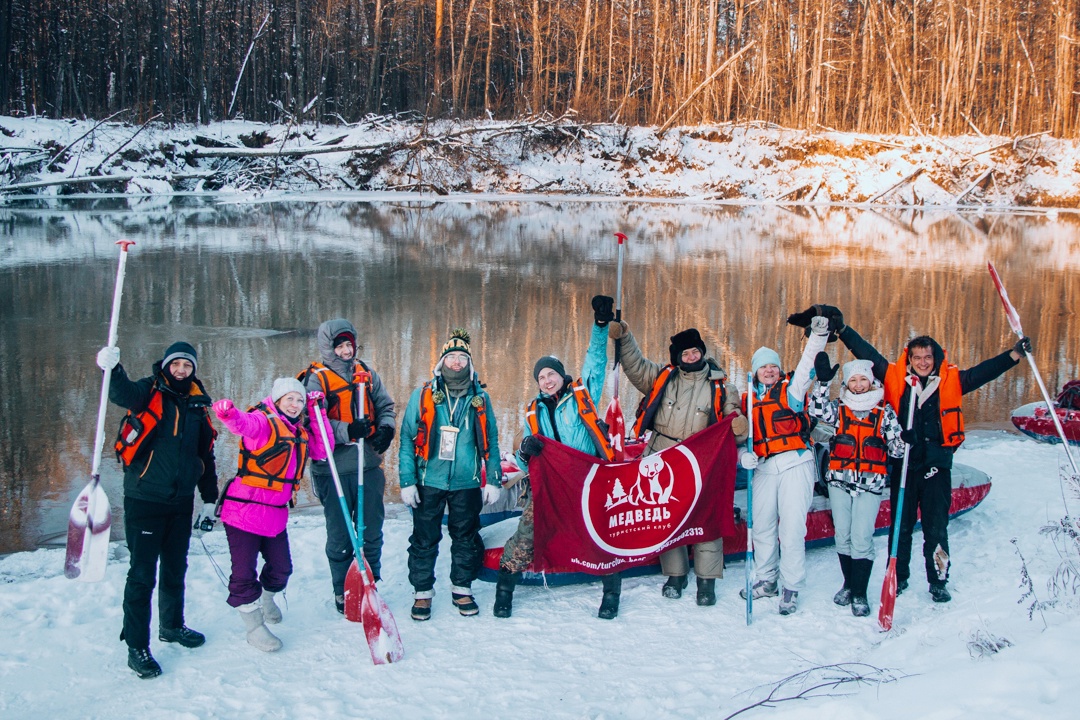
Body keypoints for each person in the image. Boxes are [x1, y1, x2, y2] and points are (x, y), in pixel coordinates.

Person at [823, 306, 1029, 602]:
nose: (922, 362)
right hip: (903, 465)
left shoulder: (951, 381)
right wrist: (843, 331)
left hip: (935, 466)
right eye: (917, 357)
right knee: (901, 526)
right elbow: (864, 351)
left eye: (927, 358)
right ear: (910, 358)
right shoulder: (894, 378)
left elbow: (984, 373)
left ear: (936, 359)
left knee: (935, 527)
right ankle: (901, 576)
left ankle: (938, 579)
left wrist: (1014, 355)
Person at [97, 341, 218, 679]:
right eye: (176, 364)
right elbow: (120, 393)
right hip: (145, 500)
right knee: (141, 575)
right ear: (166, 365)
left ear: (193, 369)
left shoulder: (197, 404)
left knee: (175, 569)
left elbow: (205, 456)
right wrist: (111, 368)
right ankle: (137, 646)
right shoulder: (147, 391)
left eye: (187, 366)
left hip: (180, 503)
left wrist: (209, 500)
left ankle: (172, 626)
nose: (181, 370)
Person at [607, 319, 747, 606]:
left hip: (702, 460)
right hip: (663, 454)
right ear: (677, 358)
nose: (691, 357)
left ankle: (706, 580)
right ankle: (676, 573)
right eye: (685, 354)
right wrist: (624, 337)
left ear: (703, 352)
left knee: (706, 516)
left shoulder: (722, 386)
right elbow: (635, 365)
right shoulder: (663, 377)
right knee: (668, 516)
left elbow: (735, 427)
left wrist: (740, 427)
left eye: (695, 351)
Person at [498, 295, 621, 619]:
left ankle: (611, 588)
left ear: (561, 375)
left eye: (551, 374)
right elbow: (526, 460)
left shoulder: (582, 396)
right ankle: (504, 587)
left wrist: (600, 326)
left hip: (585, 480)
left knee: (597, 532)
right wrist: (525, 450)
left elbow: (595, 362)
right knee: (527, 531)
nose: (547, 380)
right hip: (552, 485)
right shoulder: (533, 411)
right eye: (541, 377)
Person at [212, 378, 333, 651]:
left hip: (275, 514)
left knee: (282, 569)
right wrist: (228, 413)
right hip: (243, 510)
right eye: (290, 399)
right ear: (277, 400)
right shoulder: (263, 422)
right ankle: (254, 628)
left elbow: (322, 448)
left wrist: (318, 412)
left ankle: (267, 600)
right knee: (243, 573)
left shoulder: (300, 431)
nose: (295, 404)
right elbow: (243, 424)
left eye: (300, 400)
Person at [398, 329, 503, 620]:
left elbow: (492, 440)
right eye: (451, 357)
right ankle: (422, 592)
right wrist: (407, 481)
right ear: (442, 362)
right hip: (428, 479)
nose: (456, 362)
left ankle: (462, 587)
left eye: (462, 357)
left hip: (466, 482)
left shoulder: (480, 398)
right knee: (423, 538)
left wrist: (492, 478)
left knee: (465, 537)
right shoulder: (423, 396)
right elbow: (407, 439)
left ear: (469, 363)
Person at [300, 319, 396, 614]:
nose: (345, 350)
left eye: (349, 345)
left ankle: (370, 582)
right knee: (341, 534)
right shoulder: (316, 379)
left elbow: (385, 405)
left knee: (371, 530)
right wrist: (347, 430)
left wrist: (385, 429)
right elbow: (310, 420)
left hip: (366, 463)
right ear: (329, 347)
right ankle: (343, 589)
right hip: (333, 467)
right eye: (339, 345)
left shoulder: (364, 373)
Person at [739, 316, 830, 615]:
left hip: (795, 463)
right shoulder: (747, 401)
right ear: (755, 371)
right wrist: (743, 456)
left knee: (791, 529)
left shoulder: (791, 390)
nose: (769, 370)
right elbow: (739, 437)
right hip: (764, 468)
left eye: (773, 365)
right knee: (762, 525)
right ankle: (767, 580)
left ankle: (791, 586)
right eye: (763, 366)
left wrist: (818, 335)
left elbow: (807, 364)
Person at [807, 357, 905, 616]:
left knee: (862, 538)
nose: (859, 385)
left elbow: (897, 450)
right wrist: (823, 383)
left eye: (863, 379)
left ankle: (860, 592)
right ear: (847, 383)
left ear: (871, 381)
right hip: (840, 482)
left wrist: (905, 439)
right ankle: (848, 584)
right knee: (843, 536)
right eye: (853, 380)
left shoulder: (885, 412)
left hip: (870, 485)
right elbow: (815, 410)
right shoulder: (838, 409)